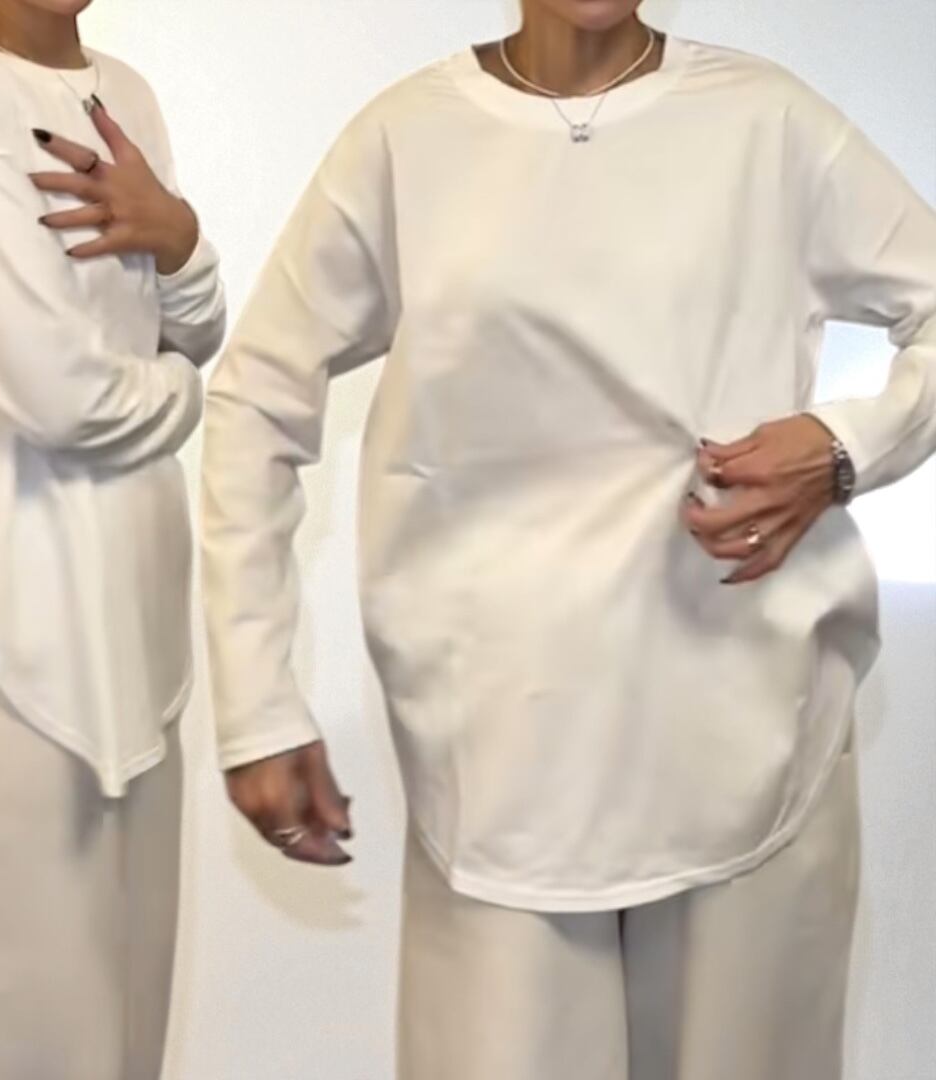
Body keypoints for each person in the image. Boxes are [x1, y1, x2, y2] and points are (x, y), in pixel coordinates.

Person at [199, 1, 936, 1077]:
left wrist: (843, 446)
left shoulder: (767, 121)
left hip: (751, 734)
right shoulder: (408, 138)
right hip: (502, 762)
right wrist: (256, 703)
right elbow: (256, 399)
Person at [0, 2, 225, 1077]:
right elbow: (65, 398)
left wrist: (182, 238)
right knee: (19, 1039)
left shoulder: (128, 96)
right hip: (9, 652)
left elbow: (192, 321)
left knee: (124, 1037)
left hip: (137, 646)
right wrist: (184, 396)